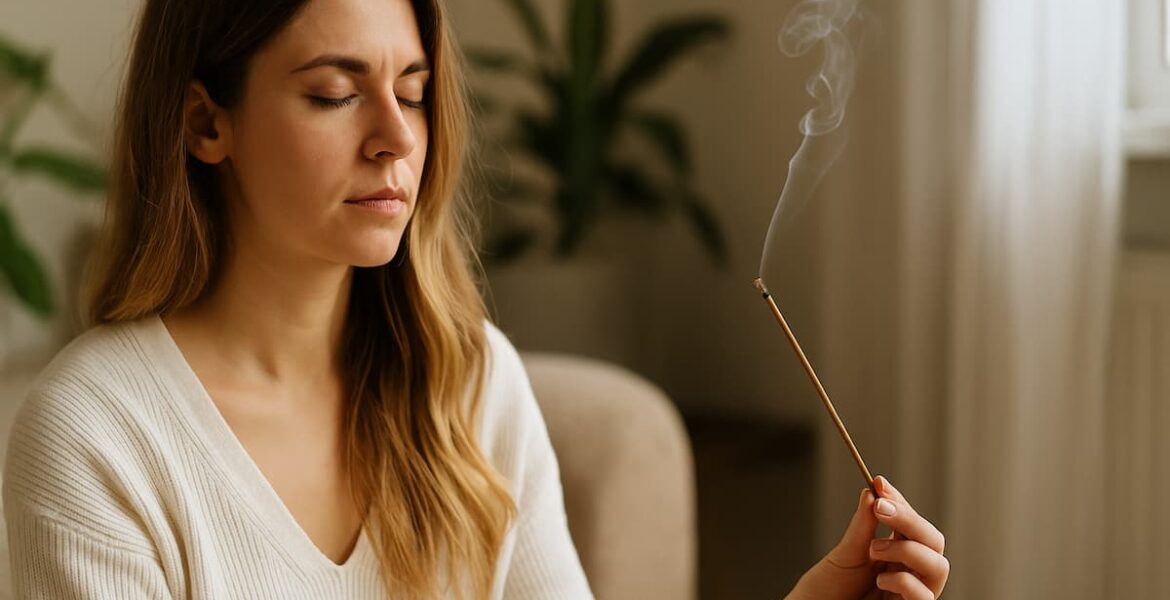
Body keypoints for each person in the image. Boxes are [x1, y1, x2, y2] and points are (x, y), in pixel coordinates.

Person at [1, 0, 949, 598]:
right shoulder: (97, 433)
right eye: (334, 93)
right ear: (207, 122)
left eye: (411, 93)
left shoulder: (471, 379)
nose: (393, 140)